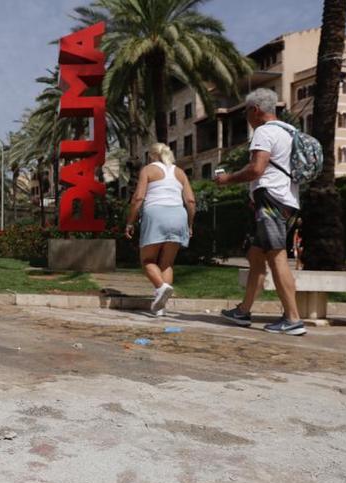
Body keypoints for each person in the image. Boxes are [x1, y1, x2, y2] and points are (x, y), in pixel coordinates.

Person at [214, 88, 305, 336]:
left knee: (277, 256)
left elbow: (256, 169)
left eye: (246, 111)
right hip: (287, 199)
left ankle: (293, 318)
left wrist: (227, 179)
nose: (245, 116)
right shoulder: (290, 130)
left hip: (271, 200)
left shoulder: (264, 132)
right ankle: (243, 311)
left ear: (255, 110)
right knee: (256, 256)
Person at [125, 142, 196, 316]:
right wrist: (189, 224)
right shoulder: (180, 173)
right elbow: (191, 201)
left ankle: (161, 287)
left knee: (147, 260)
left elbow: (139, 197)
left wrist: (130, 221)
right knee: (167, 264)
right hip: (178, 215)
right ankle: (161, 308)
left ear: (151, 156)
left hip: (156, 214)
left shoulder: (148, 170)